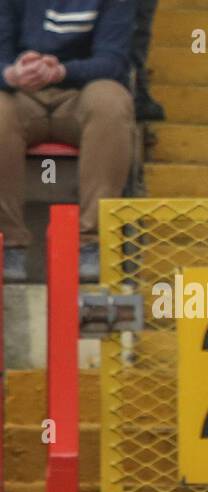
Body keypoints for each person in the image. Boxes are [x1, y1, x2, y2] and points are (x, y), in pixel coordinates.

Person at [0, 0, 135, 282]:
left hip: (80, 93)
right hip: (20, 95)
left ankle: (92, 241)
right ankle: (7, 241)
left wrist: (61, 71)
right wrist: (12, 73)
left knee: (112, 101)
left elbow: (113, 61)